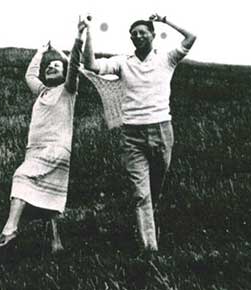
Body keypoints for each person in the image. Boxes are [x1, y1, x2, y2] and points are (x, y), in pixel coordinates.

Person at [82, 13, 196, 251]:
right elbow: (92, 65)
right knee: (140, 193)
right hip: (132, 135)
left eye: (143, 32)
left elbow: (191, 37)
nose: (138, 36)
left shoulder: (167, 58)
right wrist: (87, 32)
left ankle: (150, 223)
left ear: (153, 35)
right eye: (134, 34)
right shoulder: (123, 62)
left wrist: (166, 20)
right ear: (131, 39)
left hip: (162, 130)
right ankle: (149, 249)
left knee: (155, 187)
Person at [0, 17, 87, 252]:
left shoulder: (68, 91)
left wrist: (78, 37)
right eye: (48, 67)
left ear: (64, 74)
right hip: (35, 150)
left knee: (21, 177)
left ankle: (10, 229)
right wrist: (42, 51)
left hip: (55, 148)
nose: (51, 67)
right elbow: (29, 75)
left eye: (56, 66)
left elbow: (74, 64)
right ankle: (56, 243)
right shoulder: (42, 92)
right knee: (49, 194)